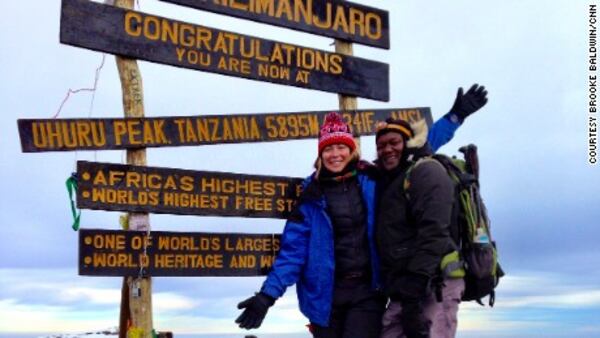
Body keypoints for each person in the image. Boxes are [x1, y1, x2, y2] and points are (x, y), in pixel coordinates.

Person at [236, 112, 385, 338]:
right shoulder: (310, 197)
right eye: (328, 149)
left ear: (351, 149)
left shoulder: (372, 180)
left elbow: (406, 150)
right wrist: (267, 296)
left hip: (367, 292)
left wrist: (453, 119)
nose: (335, 154)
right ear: (320, 154)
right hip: (324, 298)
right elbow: (293, 252)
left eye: (340, 147)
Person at [374, 84, 488, 338]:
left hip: (437, 282)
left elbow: (434, 231)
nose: (387, 149)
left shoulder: (423, 171)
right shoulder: (389, 176)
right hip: (407, 285)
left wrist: (456, 117)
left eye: (394, 142)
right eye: (380, 145)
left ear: (407, 145)